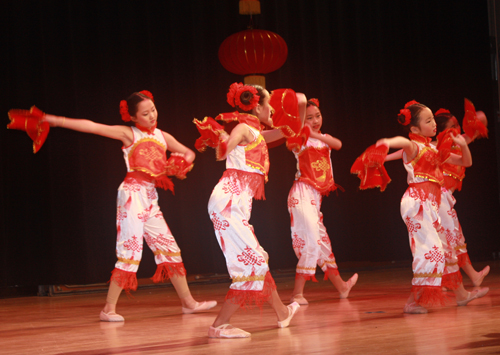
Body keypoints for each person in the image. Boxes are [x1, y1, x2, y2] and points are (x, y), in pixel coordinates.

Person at [41, 90, 216, 321]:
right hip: (132, 195)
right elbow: (92, 126)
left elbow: (188, 152)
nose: (152, 115)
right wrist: (55, 120)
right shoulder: (129, 134)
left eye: (153, 110)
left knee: (169, 248)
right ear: (133, 117)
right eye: (145, 113)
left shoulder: (163, 136)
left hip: (150, 198)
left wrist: (180, 163)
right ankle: (108, 309)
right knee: (130, 251)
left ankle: (189, 303)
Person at [356, 100, 488, 314]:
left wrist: (463, 145)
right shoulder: (415, 146)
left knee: (442, 250)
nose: (434, 123)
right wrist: (386, 142)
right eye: (428, 121)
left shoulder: (433, 149)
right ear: (415, 128)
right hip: (417, 204)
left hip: (430, 205)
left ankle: (460, 295)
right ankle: (412, 302)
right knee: (431, 252)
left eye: (433, 119)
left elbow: (466, 163)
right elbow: (403, 142)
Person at [194, 83, 303, 338]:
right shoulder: (243, 128)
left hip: (235, 205)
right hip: (228, 203)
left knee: (257, 259)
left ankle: (282, 313)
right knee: (251, 264)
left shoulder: (255, 133)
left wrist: (295, 107)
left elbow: (287, 129)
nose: (273, 111)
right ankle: (219, 325)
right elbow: (224, 152)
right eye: (269, 106)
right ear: (257, 105)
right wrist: (220, 141)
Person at [287, 98, 357, 305]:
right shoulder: (299, 139)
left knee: (322, 242)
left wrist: (314, 132)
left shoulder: (322, 138)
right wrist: (303, 128)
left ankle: (342, 287)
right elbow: (291, 140)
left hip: (315, 198)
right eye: (309, 118)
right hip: (301, 194)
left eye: (318, 116)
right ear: (301, 120)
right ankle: (297, 293)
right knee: (311, 240)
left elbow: (338, 144)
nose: (316, 120)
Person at [433, 108, 489, 287]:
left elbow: (479, 122)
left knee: (448, 240)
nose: (457, 129)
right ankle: (469, 277)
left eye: (458, 125)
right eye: (452, 126)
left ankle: (450, 281)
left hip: (444, 199)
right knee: (452, 238)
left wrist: (472, 120)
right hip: (437, 198)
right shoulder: (435, 147)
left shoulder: (458, 142)